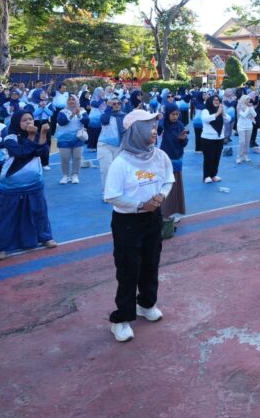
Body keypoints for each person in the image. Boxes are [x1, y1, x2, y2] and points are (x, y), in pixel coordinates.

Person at [103, 109, 174, 342]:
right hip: (128, 223)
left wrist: (161, 197)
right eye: (148, 127)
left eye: (154, 127)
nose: (154, 131)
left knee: (151, 263)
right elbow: (112, 196)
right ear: (135, 131)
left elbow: (168, 180)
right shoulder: (121, 162)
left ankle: (146, 304)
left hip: (152, 218)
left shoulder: (160, 156)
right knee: (128, 270)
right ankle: (121, 319)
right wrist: (139, 205)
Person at [0, 111, 57, 261]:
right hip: (11, 184)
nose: (29, 122)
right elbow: (21, 153)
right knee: (4, 216)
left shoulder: (37, 134)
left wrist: (43, 134)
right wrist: (32, 137)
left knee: (39, 211)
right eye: (24, 120)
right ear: (17, 122)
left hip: (34, 182)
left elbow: (43, 152)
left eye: (30, 119)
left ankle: (45, 237)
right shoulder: (10, 138)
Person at [157, 107, 188, 221]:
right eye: (173, 114)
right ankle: (163, 214)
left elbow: (184, 143)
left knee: (175, 187)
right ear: (168, 114)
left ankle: (170, 213)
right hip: (164, 160)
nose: (175, 116)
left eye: (177, 114)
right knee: (164, 187)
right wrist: (159, 118)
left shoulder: (179, 125)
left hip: (177, 160)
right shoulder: (162, 125)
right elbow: (157, 131)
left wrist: (183, 139)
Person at [55, 99, 89, 184]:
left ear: (77, 101)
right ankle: (65, 176)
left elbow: (86, 121)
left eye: (73, 99)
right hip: (64, 139)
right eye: (69, 100)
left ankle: (75, 175)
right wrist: (72, 114)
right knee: (65, 158)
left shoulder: (82, 110)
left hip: (78, 138)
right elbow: (61, 122)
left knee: (77, 158)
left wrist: (78, 114)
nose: (71, 101)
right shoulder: (62, 111)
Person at [98, 96, 127, 190]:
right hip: (104, 146)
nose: (116, 105)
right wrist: (108, 108)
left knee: (118, 170)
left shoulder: (124, 116)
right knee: (106, 170)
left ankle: (116, 190)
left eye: (118, 103)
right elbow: (104, 121)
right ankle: (106, 192)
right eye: (113, 104)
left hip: (119, 147)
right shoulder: (106, 114)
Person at [200, 94, 225, 183]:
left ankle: (213, 175)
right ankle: (206, 176)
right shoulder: (205, 110)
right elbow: (206, 119)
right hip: (208, 138)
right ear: (210, 101)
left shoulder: (220, 111)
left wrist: (223, 112)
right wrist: (218, 113)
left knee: (216, 158)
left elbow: (229, 119)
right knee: (208, 158)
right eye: (214, 100)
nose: (216, 101)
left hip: (219, 138)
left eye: (217, 100)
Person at [235, 95, 256, 164]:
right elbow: (244, 115)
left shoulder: (250, 107)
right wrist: (249, 108)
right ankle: (239, 157)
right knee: (242, 142)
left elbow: (254, 115)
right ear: (243, 100)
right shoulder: (239, 107)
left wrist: (251, 108)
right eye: (247, 99)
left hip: (249, 126)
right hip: (241, 126)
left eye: (249, 99)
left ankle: (245, 155)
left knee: (247, 142)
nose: (248, 101)